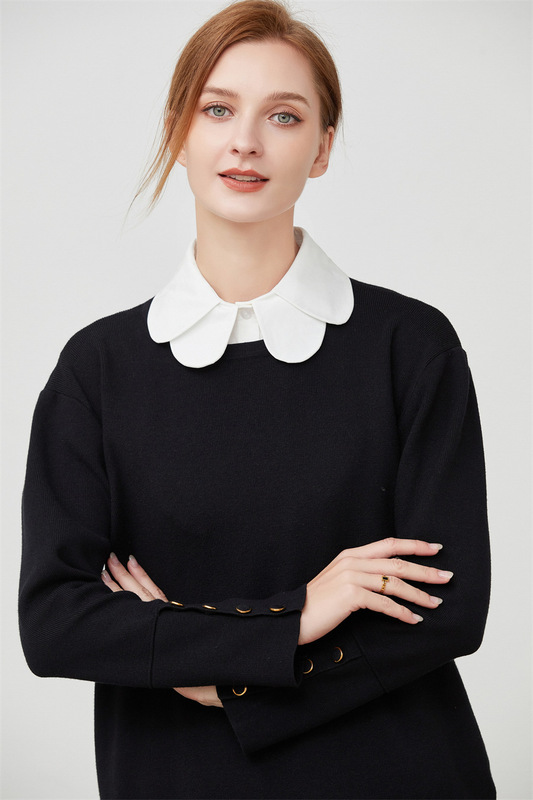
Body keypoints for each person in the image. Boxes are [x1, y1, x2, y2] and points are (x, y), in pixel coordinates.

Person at [18, 1, 496, 798]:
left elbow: (448, 609)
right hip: (175, 777)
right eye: (217, 109)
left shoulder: (409, 346)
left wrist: (212, 672)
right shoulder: (97, 369)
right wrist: (297, 617)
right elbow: (56, 625)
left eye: (283, 115)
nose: (245, 141)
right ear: (178, 133)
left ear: (322, 148)